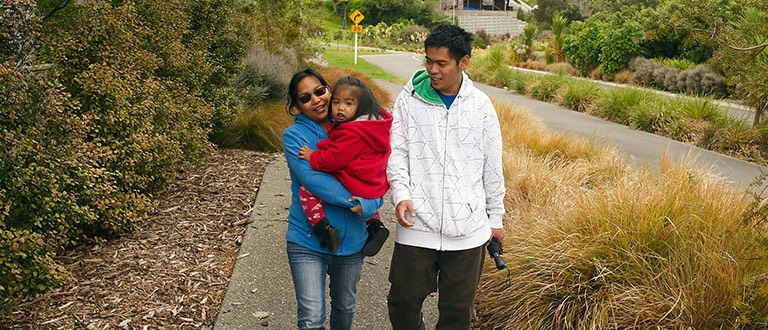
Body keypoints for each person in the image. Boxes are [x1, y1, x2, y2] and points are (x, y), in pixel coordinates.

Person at [385, 24, 506, 329]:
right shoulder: (409, 101)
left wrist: (496, 219)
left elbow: (492, 166)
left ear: (463, 62)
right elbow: (396, 154)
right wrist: (401, 195)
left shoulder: (481, 107)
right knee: (402, 303)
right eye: (428, 61)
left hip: (468, 230)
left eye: (442, 64)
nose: (433, 70)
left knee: (456, 314)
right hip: (417, 224)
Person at [283, 68, 384, 330]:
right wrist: (360, 202)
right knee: (312, 317)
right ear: (297, 106)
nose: (316, 100)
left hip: (352, 240)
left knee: (345, 308)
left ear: (329, 90)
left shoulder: (359, 127)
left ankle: (375, 224)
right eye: (305, 98)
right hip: (307, 240)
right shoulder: (295, 137)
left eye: (320, 91)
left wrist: (372, 203)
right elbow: (316, 182)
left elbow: (379, 171)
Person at [297, 75, 392, 257]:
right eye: (337, 102)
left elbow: (334, 159)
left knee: (307, 192)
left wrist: (313, 156)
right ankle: (375, 225)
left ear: (360, 107)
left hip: (354, 179)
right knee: (364, 198)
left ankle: (322, 227)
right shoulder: (370, 127)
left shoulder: (352, 132)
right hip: (370, 181)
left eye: (349, 104)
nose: (340, 108)